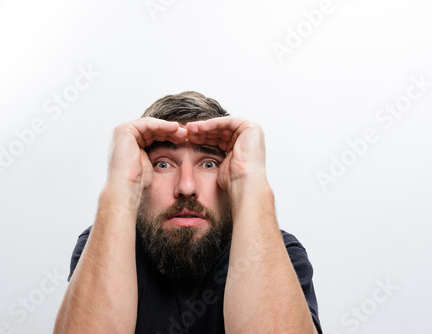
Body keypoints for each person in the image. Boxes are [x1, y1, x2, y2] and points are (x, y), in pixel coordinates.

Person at [53, 91, 322, 334]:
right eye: (163, 164)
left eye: (208, 164)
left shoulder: (279, 251)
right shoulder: (103, 244)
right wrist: (121, 186)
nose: (186, 187)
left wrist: (249, 180)